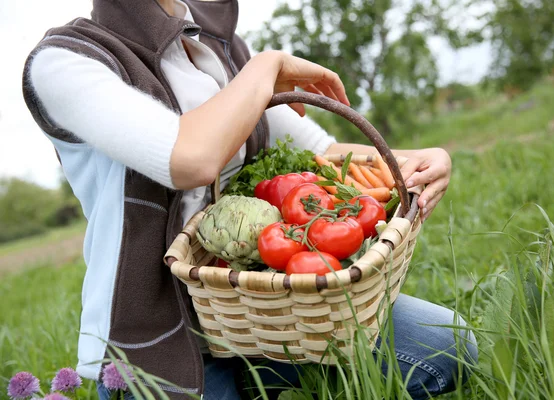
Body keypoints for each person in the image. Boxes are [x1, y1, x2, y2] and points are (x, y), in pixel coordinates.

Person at [22, 0, 477, 399]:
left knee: (448, 347)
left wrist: (419, 159)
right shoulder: (65, 62)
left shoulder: (217, 48)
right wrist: (265, 68)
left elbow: (323, 155)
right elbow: (189, 157)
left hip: (261, 308)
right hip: (160, 337)